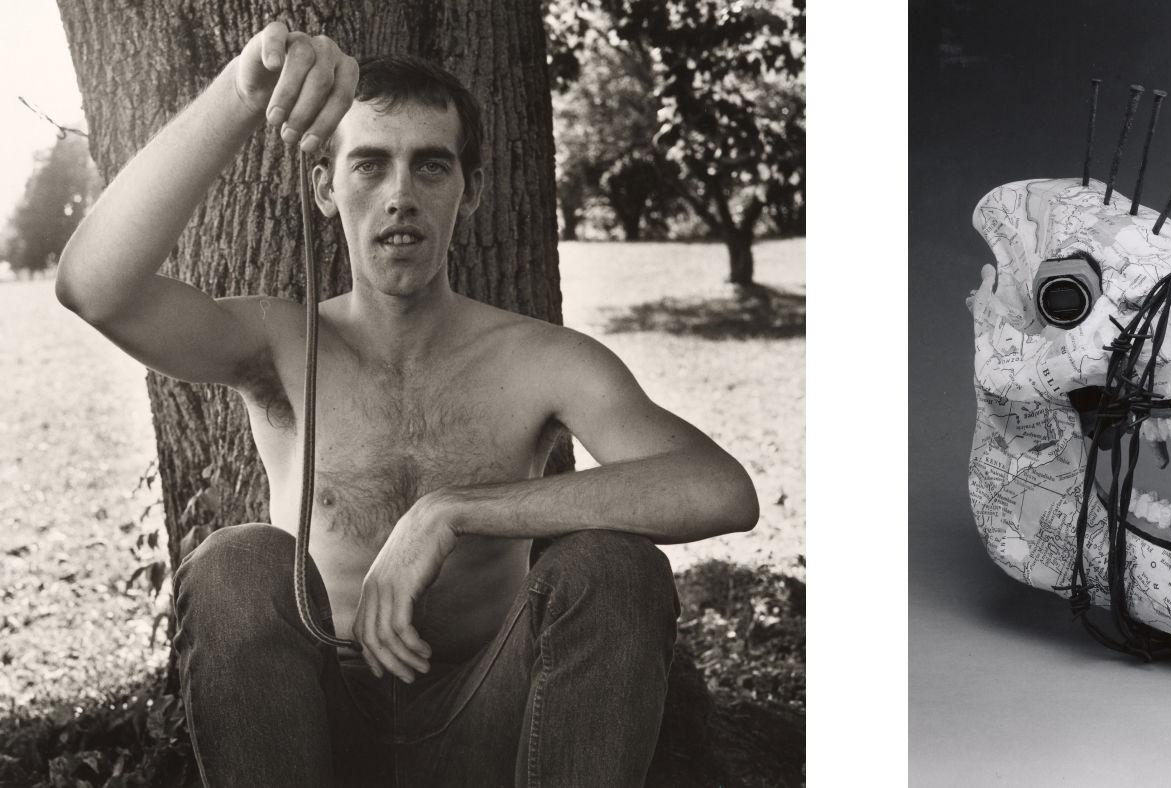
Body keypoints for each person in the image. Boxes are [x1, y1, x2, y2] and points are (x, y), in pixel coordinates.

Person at [55, 21, 758, 786]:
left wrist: (452, 510)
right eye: (369, 165)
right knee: (233, 562)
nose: (400, 197)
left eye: (431, 166)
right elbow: (95, 288)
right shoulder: (281, 343)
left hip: (491, 716)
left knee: (616, 567)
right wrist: (245, 91)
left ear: (471, 187)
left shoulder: (543, 360)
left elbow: (719, 490)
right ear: (325, 187)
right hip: (314, 725)